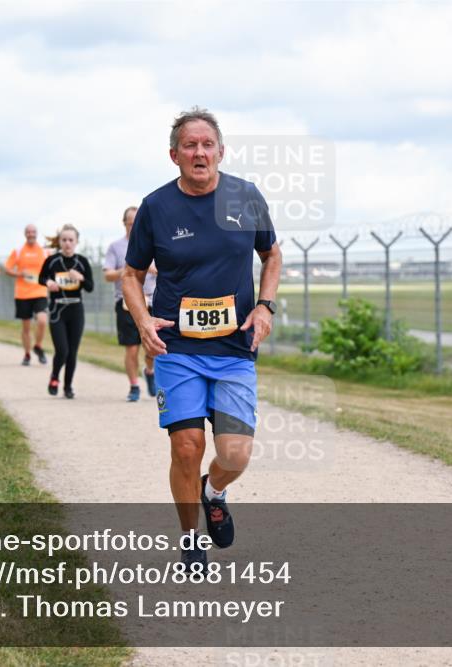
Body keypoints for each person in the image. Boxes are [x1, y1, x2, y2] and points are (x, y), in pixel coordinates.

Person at [122, 107, 282, 571]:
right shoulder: (156, 207)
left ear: (220, 152)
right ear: (174, 155)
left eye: (207, 144)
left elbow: (271, 255)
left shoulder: (245, 197)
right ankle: (191, 539)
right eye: (189, 145)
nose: (199, 153)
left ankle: (214, 492)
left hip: (234, 349)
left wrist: (264, 306)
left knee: (235, 453)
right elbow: (132, 275)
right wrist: (143, 321)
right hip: (179, 348)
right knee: (187, 444)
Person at [105, 206, 159, 402]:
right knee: (132, 347)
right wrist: (130, 269)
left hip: (152, 300)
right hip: (126, 301)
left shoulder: (155, 243)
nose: (135, 227)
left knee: (153, 347)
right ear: (124, 224)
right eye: (131, 224)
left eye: (138, 223)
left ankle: (150, 371)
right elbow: (108, 275)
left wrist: (152, 269)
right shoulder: (115, 247)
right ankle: (134, 386)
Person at [39, 224, 94, 399]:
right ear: (59, 242)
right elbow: (41, 277)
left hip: (76, 309)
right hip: (57, 309)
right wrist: (49, 283)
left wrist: (81, 278)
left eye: (71, 240)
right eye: (64, 240)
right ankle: (55, 376)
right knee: (62, 350)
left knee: (72, 351)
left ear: (76, 242)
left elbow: (90, 287)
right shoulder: (52, 260)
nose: (67, 243)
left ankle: (68, 386)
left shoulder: (82, 261)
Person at [4, 224, 50, 366]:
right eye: (28, 232)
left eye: (33, 232)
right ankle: (27, 354)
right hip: (22, 294)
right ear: (25, 234)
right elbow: (7, 269)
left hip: (40, 291)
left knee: (42, 320)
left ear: (37, 234)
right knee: (26, 327)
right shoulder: (18, 251)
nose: (31, 234)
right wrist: (19, 273)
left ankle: (38, 346)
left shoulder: (44, 251)